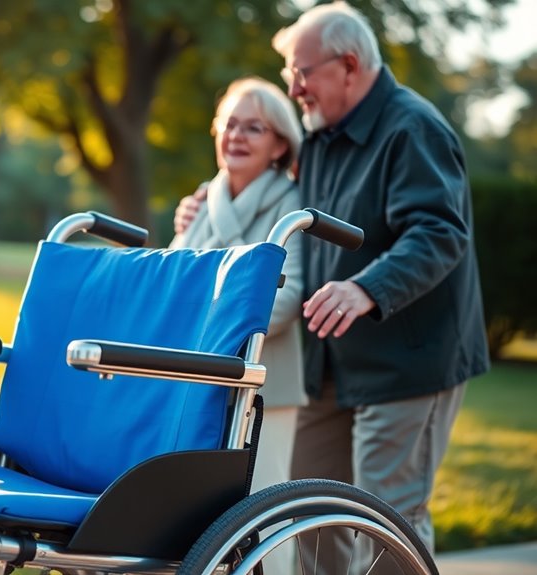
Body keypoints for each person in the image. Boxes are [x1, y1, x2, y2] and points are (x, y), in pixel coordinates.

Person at [174, 2, 489, 572]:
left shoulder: (412, 128)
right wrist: (205, 198)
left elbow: (441, 232)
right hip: (331, 363)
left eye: (302, 72)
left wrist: (366, 288)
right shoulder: (321, 137)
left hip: (408, 363)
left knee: (388, 518)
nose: (294, 89)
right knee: (312, 514)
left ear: (348, 65)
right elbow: (268, 186)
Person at [170, 76, 305, 575]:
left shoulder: (292, 207)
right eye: (230, 124)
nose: (237, 136)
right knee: (196, 520)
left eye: (254, 127)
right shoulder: (201, 202)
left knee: (270, 517)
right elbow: (176, 285)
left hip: (266, 382)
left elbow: (288, 298)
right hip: (198, 380)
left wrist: (212, 330)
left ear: (279, 145)